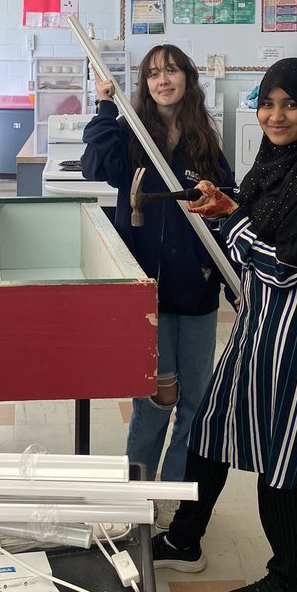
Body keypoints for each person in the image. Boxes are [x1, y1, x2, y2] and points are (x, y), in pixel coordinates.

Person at [152, 57, 297, 592]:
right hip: (260, 318)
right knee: (212, 423)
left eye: (289, 105)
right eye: (267, 103)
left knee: (278, 450)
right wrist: (232, 206)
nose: (275, 116)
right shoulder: (273, 164)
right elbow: (260, 233)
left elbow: (284, 264)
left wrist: (233, 223)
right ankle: (186, 539)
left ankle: (292, 580)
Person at [81, 45, 236, 528]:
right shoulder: (130, 134)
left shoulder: (205, 142)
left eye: (170, 71)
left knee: (195, 399)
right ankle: (136, 492)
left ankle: (171, 498)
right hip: (144, 289)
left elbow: (226, 206)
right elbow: (94, 166)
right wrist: (105, 107)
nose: (161, 80)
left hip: (196, 289)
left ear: (187, 78)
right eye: (152, 74)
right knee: (154, 399)